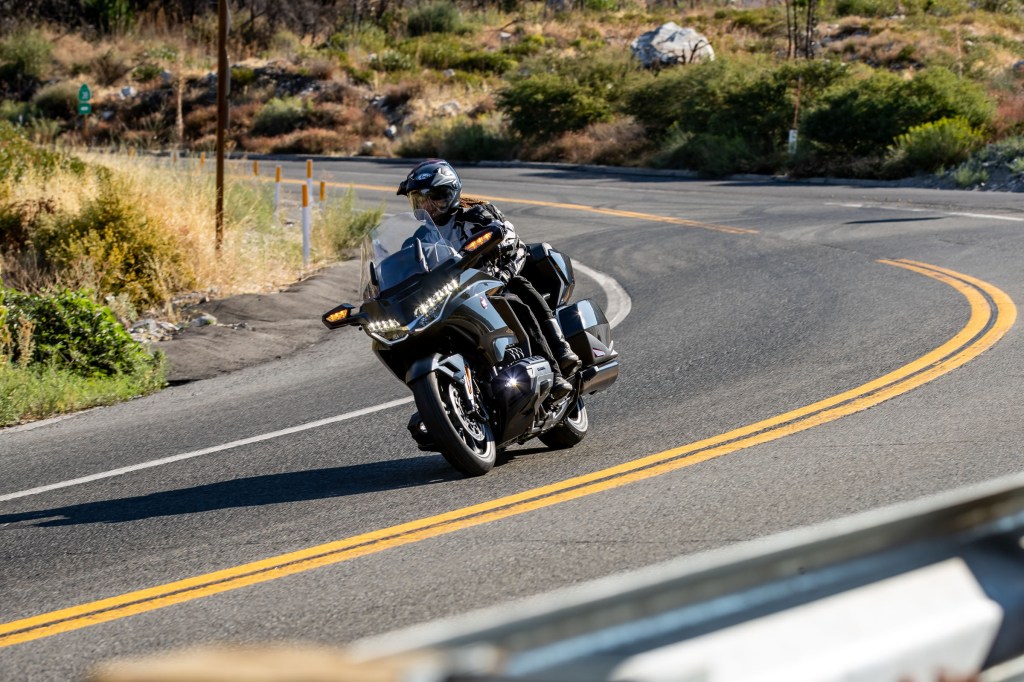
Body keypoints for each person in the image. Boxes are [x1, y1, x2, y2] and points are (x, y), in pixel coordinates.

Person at [397, 159, 580, 400]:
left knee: (517, 292)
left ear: (452, 193)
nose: (429, 205)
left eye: (437, 196)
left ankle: (557, 357)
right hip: (453, 296)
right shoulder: (419, 239)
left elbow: (512, 241)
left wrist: (502, 275)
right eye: (420, 199)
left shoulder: (477, 213)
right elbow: (406, 272)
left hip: (495, 278)